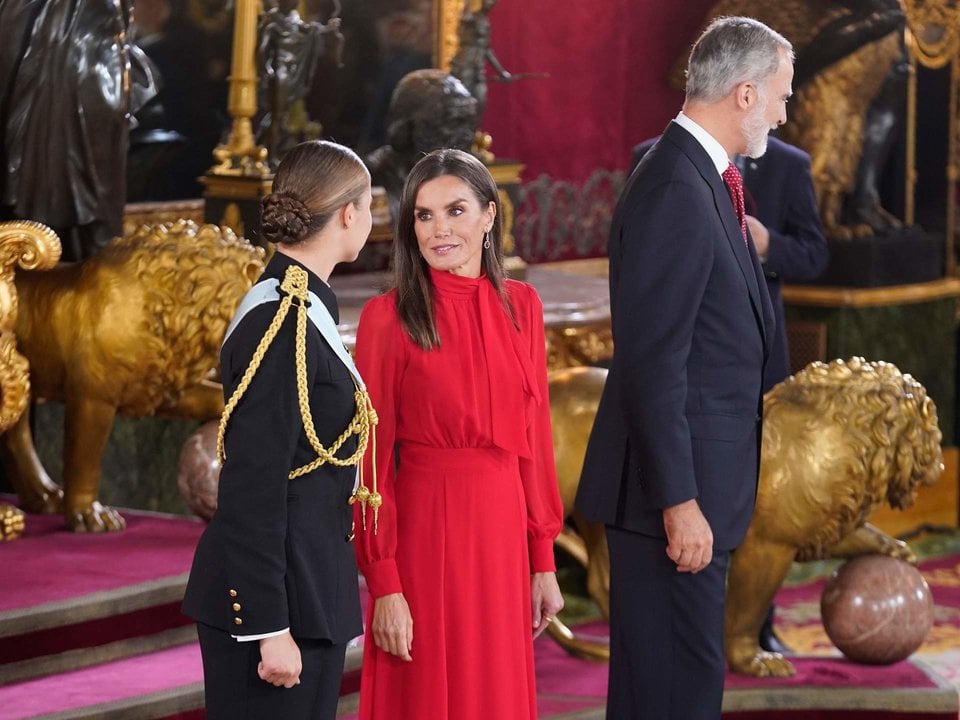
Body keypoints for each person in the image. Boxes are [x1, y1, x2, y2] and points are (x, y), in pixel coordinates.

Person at [575, 16, 792, 720]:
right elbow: (654, 360)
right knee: (674, 693)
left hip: (691, 490)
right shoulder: (676, 184)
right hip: (672, 500)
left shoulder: (702, 176)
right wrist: (680, 501)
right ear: (746, 93)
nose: (786, 113)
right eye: (783, 96)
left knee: (672, 690)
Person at [352, 148, 564, 720]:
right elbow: (369, 465)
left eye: (455, 210)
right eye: (423, 215)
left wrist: (542, 559)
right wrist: (384, 582)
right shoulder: (387, 318)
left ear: (489, 216)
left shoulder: (525, 307)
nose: (439, 228)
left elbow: (534, 441)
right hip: (426, 536)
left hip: (501, 537)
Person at [182, 140, 374, 720]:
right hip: (277, 607)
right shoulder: (281, 320)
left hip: (309, 590)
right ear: (347, 214)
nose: (369, 220)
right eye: (369, 206)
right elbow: (252, 485)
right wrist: (267, 626)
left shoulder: (305, 306)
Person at [631, 134, 829, 654]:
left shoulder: (789, 164)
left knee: (759, 499)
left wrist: (769, 246)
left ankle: (756, 624)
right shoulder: (660, 162)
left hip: (761, 364)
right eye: (778, 95)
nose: (783, 112)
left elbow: (815, 254)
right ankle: (699, 625)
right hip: (691, 365)